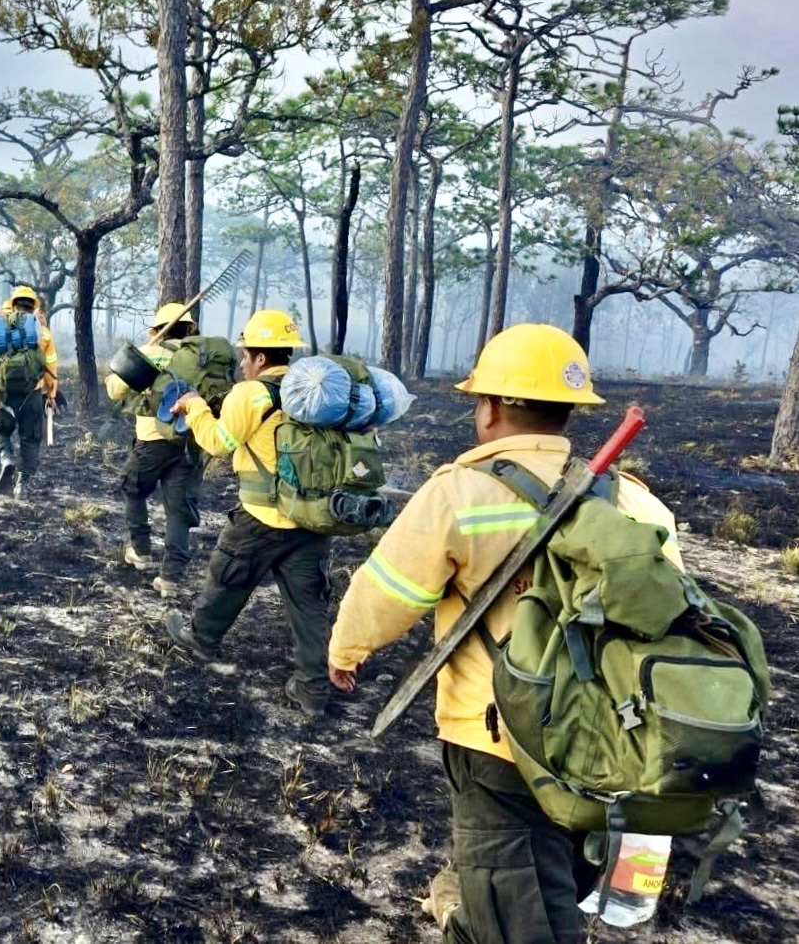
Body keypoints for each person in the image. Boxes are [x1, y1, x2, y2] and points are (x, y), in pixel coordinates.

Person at [327, 324, 681, 943]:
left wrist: (347, 650)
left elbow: (386, 592)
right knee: (559, 863)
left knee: (522, 908)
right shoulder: (636, 503)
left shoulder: (459, 492)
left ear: (488, 408)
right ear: (570, 412)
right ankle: (468, 902)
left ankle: (472, 911)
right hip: (610, 735)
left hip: (499, 739)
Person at [163, 309, 333, 716]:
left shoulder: (250, 393)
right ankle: (313, 690)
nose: (242, 363)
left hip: (262, 516)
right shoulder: (316, 392)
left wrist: (197, 407)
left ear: (260, 358)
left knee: (226, 576)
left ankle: (200, 640)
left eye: (245, 355)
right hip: (312, 518)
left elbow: (219, 443)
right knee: (308, 605)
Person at [104, 302, 211, 599]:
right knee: (178, 510)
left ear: (156, 330)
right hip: (190, 442)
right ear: (190, 330)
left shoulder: (148, 353)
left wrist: (117, 372)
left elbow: (115, 390)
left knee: (133, 488)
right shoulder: (200, 359)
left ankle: (140, 551)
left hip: (152, 441)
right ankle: (171, 579)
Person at [0, 285, 58, 498]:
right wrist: (51, 395)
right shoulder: (44, 334)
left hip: (4, 395)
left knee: (0, 432)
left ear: (13, 304)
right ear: (34, 307)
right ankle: (22, 484)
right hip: (33, 395)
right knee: (30, 440)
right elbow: (51, 369)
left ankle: (6, 458)